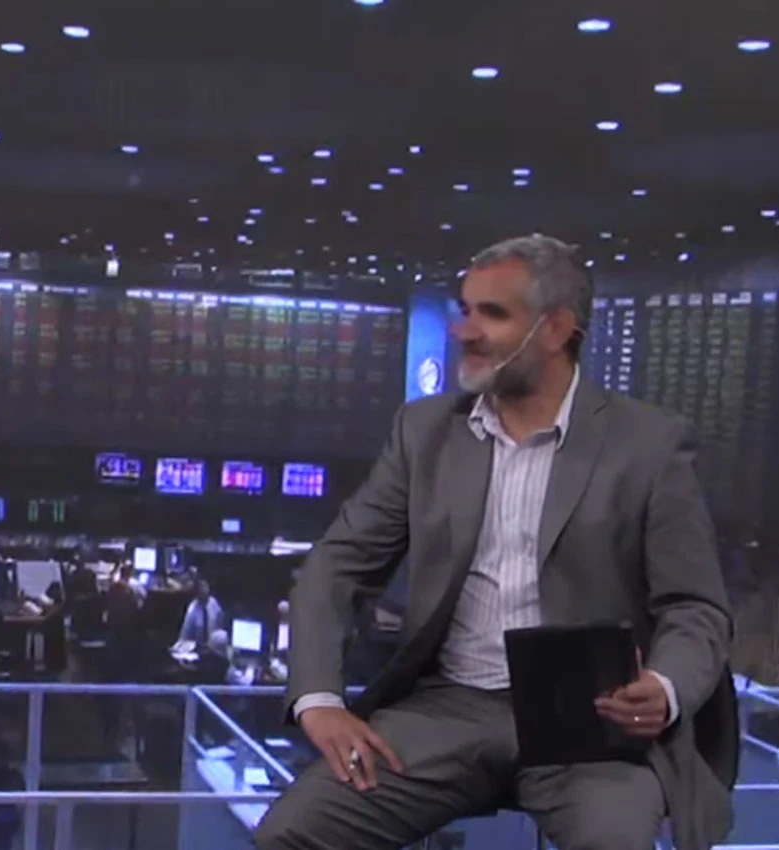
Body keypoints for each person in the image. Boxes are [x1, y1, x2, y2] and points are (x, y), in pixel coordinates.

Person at [256, 235, 733, 850]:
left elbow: (695, 607)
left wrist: (664, 688)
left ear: (555, 329)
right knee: (290, 835)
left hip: (591, 721)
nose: (465, 330)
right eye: (464, 309)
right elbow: (337, 566)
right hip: (446, 709)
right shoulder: (424, 431)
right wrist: (318, 698)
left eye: (492, 314)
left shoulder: (651, 444)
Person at [177, 579, 223, 645]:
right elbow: (184, 635)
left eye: (205, 587)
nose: (204, 590)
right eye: (201, 588)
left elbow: (220, 624)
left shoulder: (214, 603)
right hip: (198, 646)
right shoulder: (192, 610)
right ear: (197, 592)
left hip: (214, 644)